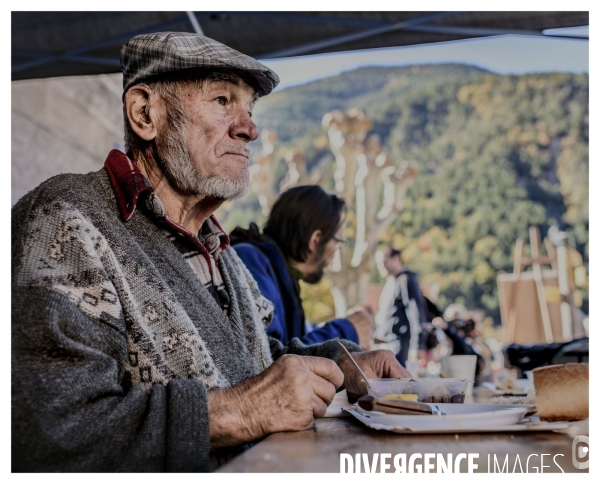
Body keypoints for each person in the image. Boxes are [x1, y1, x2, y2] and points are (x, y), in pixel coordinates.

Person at [11, 31, 410, 472]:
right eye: (222, 100)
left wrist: (342, 362)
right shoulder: (65, 219)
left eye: (250, 108)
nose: (250, 128)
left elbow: (247, 363)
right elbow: (50, 431)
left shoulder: (218, 248)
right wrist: (240, 411)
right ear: (146, 113)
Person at [230, 186, 376, 349]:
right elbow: (268, 356)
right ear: (315, 239)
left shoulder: (280, 275)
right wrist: (348, 332)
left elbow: (292, 340)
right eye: (337, 241)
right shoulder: (251, 261)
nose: (336, 250)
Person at [379, 246, 430, 366]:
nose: (381, 266)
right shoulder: (391, 282)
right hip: (388, 342)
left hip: (400, 343)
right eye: (378, 264)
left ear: (396, 258)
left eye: (384, 262)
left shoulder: (406, 280)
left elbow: (415, 313)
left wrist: (417, 345)